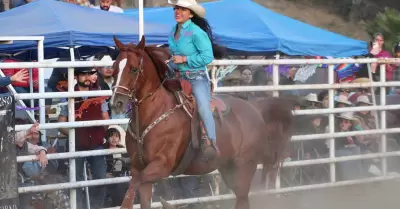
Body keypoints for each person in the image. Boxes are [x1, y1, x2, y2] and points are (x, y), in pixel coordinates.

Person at [167, 0, 224, 156]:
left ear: (191, 14)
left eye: (183, 9)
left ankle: (211, 141)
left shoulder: (196, 32)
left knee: (204, 107)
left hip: (196, 77)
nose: (178, 12)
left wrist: (185, 59)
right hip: (177, 76)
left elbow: (207, 57)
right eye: (176, 8)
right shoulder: (173, 30)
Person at [57, 67, 110, 209]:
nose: (87, 77)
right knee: (75, 180)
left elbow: (106, 119)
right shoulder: (68, 95)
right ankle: (78, 207)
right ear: (76, 76)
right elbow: (61, 123)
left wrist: (102, 136)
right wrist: (75, 134)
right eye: (83, 74)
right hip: (77, 144)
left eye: (89, 74)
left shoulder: (99, 94)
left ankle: (96, 207)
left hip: (97, 143)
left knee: (100, 179)